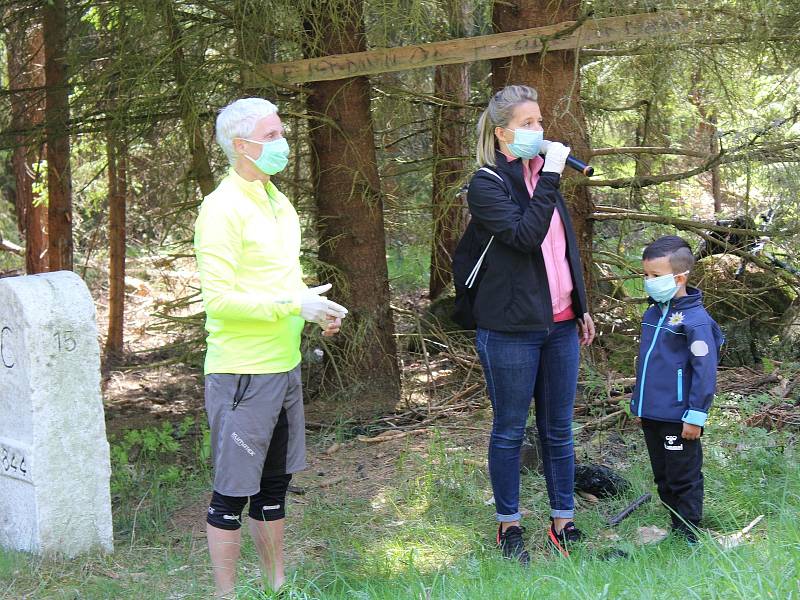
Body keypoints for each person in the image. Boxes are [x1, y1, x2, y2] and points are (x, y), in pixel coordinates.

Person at [194, 97, 348, 597]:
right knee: (231, 496)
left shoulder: (278, 200)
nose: (283, 143)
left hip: (285, 368)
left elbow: (279, 282)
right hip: (241, 373)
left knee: (274, 488)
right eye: (272, 135)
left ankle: (276, 587)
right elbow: (218, 299)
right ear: (241, 146)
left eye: (282, 132)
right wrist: (290, 304)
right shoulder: (220, 209)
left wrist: (313, 309)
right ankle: (226, 595)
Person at [463, 85, 596, 563]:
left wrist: (580, 304)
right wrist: (553, 176)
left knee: (558, 429)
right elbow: (524, 237)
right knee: (510, 429)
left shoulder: (545, 176)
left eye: (539, 122)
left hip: (560, 326)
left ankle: (563, 523)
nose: (538, 132)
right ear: (501, 134)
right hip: (510, 329)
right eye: (527, 124)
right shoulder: (487, 184)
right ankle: (510, 526)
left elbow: (562, 250)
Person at [632, 235, 723, 543]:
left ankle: (689, 535)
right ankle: (676, 528)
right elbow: (648, 365)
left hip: (680, 416)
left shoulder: (695, 321)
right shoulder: (654, 313)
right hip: (653, 414)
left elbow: (704, 369)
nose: (648, 282)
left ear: (680, 277)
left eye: (655, 276)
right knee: (664, 477)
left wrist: (696, 414)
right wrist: (639, 406)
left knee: (682, 476)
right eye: (645, 275)